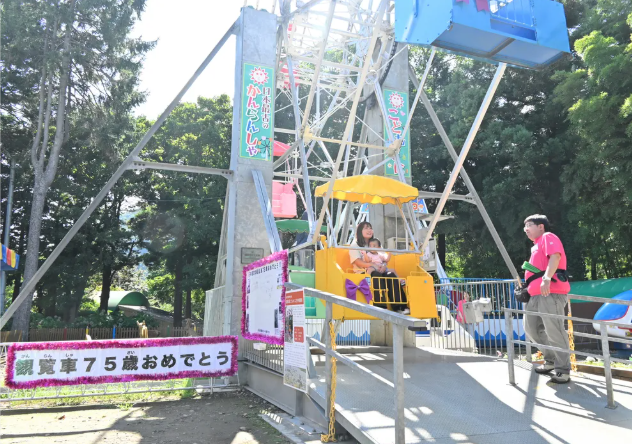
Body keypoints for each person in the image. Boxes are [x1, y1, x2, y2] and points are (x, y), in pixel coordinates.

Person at [521, 214, 571, 384]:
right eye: (525, 226)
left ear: (541, 226)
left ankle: (563, 370)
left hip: (551, 292)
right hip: (535, 294)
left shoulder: (548, 237)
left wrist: (547, 278)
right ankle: (550, 360)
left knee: (554, 330)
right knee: (531, 329)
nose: (526, 229)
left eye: (529, 225)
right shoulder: (535, 246)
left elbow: (555, 257)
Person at [349, 222, 409, 314]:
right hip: (364, 272)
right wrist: (373, 265)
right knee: (376, 275)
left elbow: (383, 258)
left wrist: (384, 266)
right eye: (366, 228)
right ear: (360, 231)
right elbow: (358, 262)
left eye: (370, 228)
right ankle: (380, 306)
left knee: (390, 275)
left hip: (379, 269)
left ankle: (400, 306)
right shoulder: (355, 245)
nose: (369, 230)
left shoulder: (376, 243)